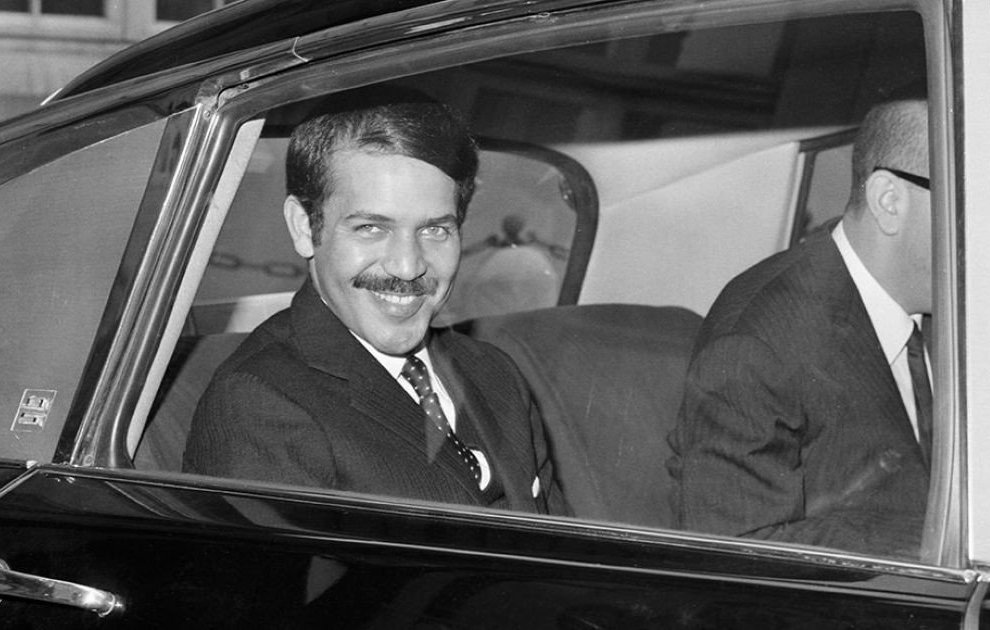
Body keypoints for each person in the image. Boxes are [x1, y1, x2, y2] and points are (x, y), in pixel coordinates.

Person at [183, 88, 566, 515]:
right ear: (304, 227)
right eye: (370, 228)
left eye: (435, 230)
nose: (407, 267)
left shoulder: (495, 373)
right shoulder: (260, 405)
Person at [667, 94, 932, 557]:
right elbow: (737, 549)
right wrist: (942, 540)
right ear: (890, 201)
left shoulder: (948, 311)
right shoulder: (757, 340)